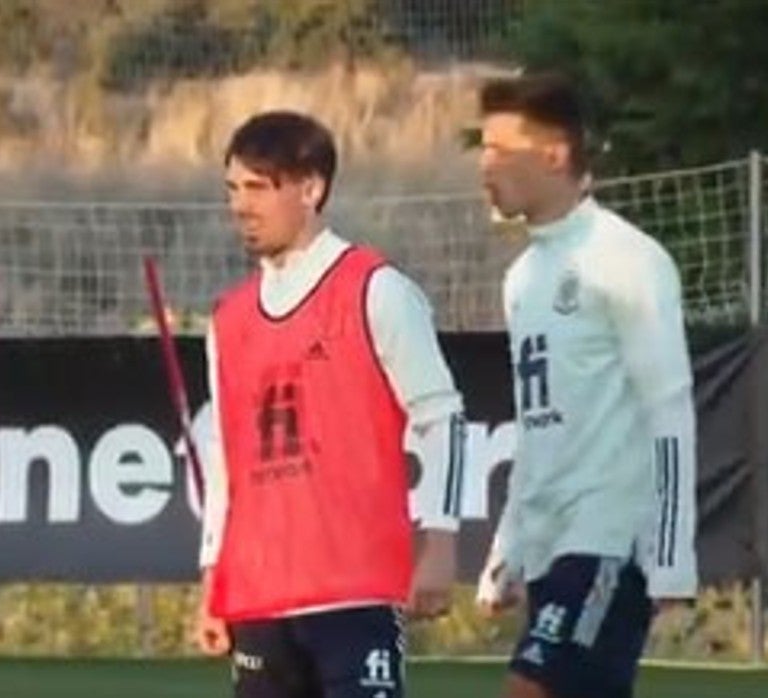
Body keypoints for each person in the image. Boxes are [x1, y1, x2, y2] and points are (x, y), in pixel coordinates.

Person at [193, 110, 468, 698]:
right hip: (261, 596)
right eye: (233, 189)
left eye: (259, 188)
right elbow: (226, 461)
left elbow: (442, 417)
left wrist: (440, 540)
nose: (241, 205)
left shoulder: (375, 289)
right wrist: (214, 576)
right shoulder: (228, 319)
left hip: (356, 589)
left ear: (312, 188)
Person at [472, 72, 699, 698]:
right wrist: (509, 545)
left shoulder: (627, 259)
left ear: (554, 154)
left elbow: (669, 406)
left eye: (499, 149)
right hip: (551, 544)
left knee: (530, 689)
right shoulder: (522, 278)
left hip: (609, 540)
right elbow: (537, 424)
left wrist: (671, 554)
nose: (484, 166)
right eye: (481, 148)